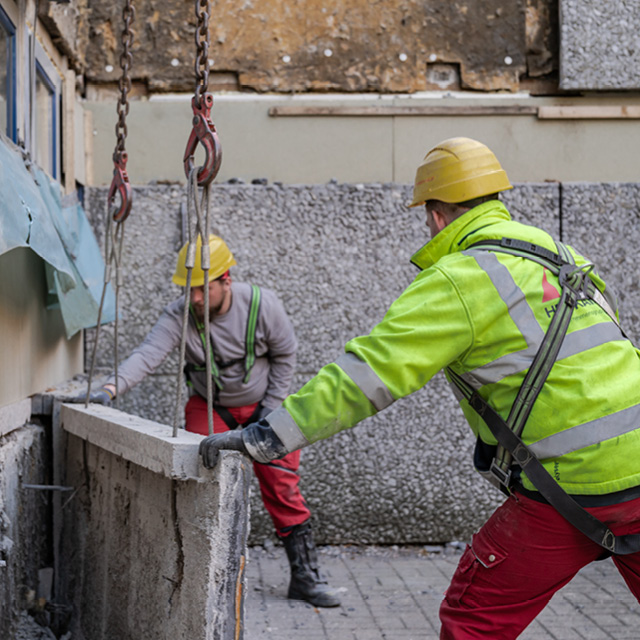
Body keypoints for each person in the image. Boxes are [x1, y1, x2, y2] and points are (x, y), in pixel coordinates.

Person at [199, 137, 640, 639]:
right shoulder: (561, 254)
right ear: (495, 198)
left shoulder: (461, 277)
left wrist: (269, 436)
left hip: (573, 486)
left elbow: (370, 374)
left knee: (475, 618)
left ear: (435, 215)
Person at [82, 234, 341, 608]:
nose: (196, 298)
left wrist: (270, 409)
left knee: (283, 488)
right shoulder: (179, 315)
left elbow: (286, 355)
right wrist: (108, 388)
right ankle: (198, 577)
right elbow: (147, 355)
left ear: (226, 280)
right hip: (210, 407)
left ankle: (305, 577)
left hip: (264, 407)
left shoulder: (262, 305)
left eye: (203, 289)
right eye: (189, 290)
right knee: (201, 475)